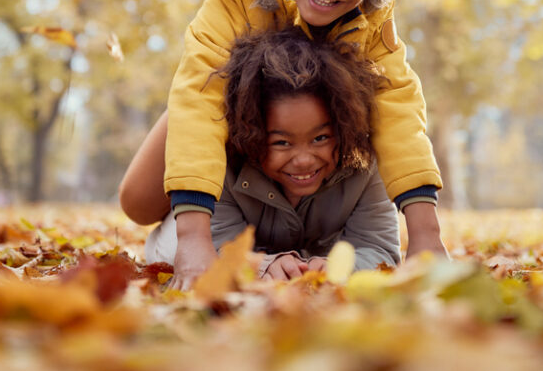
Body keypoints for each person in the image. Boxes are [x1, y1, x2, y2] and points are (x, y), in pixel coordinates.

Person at [120, 0, 446, 285]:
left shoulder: (373, 18)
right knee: (143, 193)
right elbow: (199, 96)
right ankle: (195, 213)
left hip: (298, 124)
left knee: (371, 119)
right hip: (224, 103)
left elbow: (399, 109)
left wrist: (425, 235)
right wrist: (194, 239)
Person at [143, 28, 401, 278]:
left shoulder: (362, 166)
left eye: (320, 138)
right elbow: (213, 246)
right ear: (250, 133)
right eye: (281, 143)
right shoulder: (220, 163)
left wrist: (342, 268)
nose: (303, 160)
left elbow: (380, 248)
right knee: (177, 251)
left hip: (308, 254)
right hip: (189, 234)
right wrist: (260, 265)